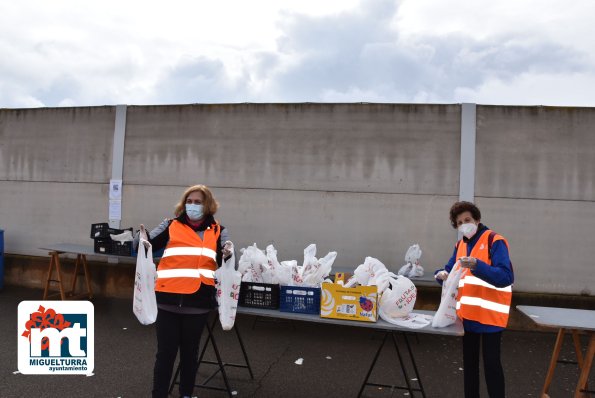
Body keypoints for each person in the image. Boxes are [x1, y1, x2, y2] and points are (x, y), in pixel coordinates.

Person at [137, 184, 233, 398]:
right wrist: (140, 238)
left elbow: (225, 258)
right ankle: (159, 394)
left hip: (197, 303)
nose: (192, 205)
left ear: (207, 205)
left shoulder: (218, 231)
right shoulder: (170, 225)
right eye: (189, 201)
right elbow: (146, 245)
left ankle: (186, 394)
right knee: (165, 354)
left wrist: (229, 254)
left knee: (190, 355)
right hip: (166, 299)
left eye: (198, 202)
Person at [434, 201, 513, 398]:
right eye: (459, 222)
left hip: (490, 318)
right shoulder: (460, 244)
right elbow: (449, 269)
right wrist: (441, 275)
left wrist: (478, 266)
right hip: (467, 318)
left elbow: (506, 277)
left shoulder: (495, 240)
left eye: (467, 220)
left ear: (477, 219)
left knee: (492, 366)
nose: (464, 225)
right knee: (469, 368)